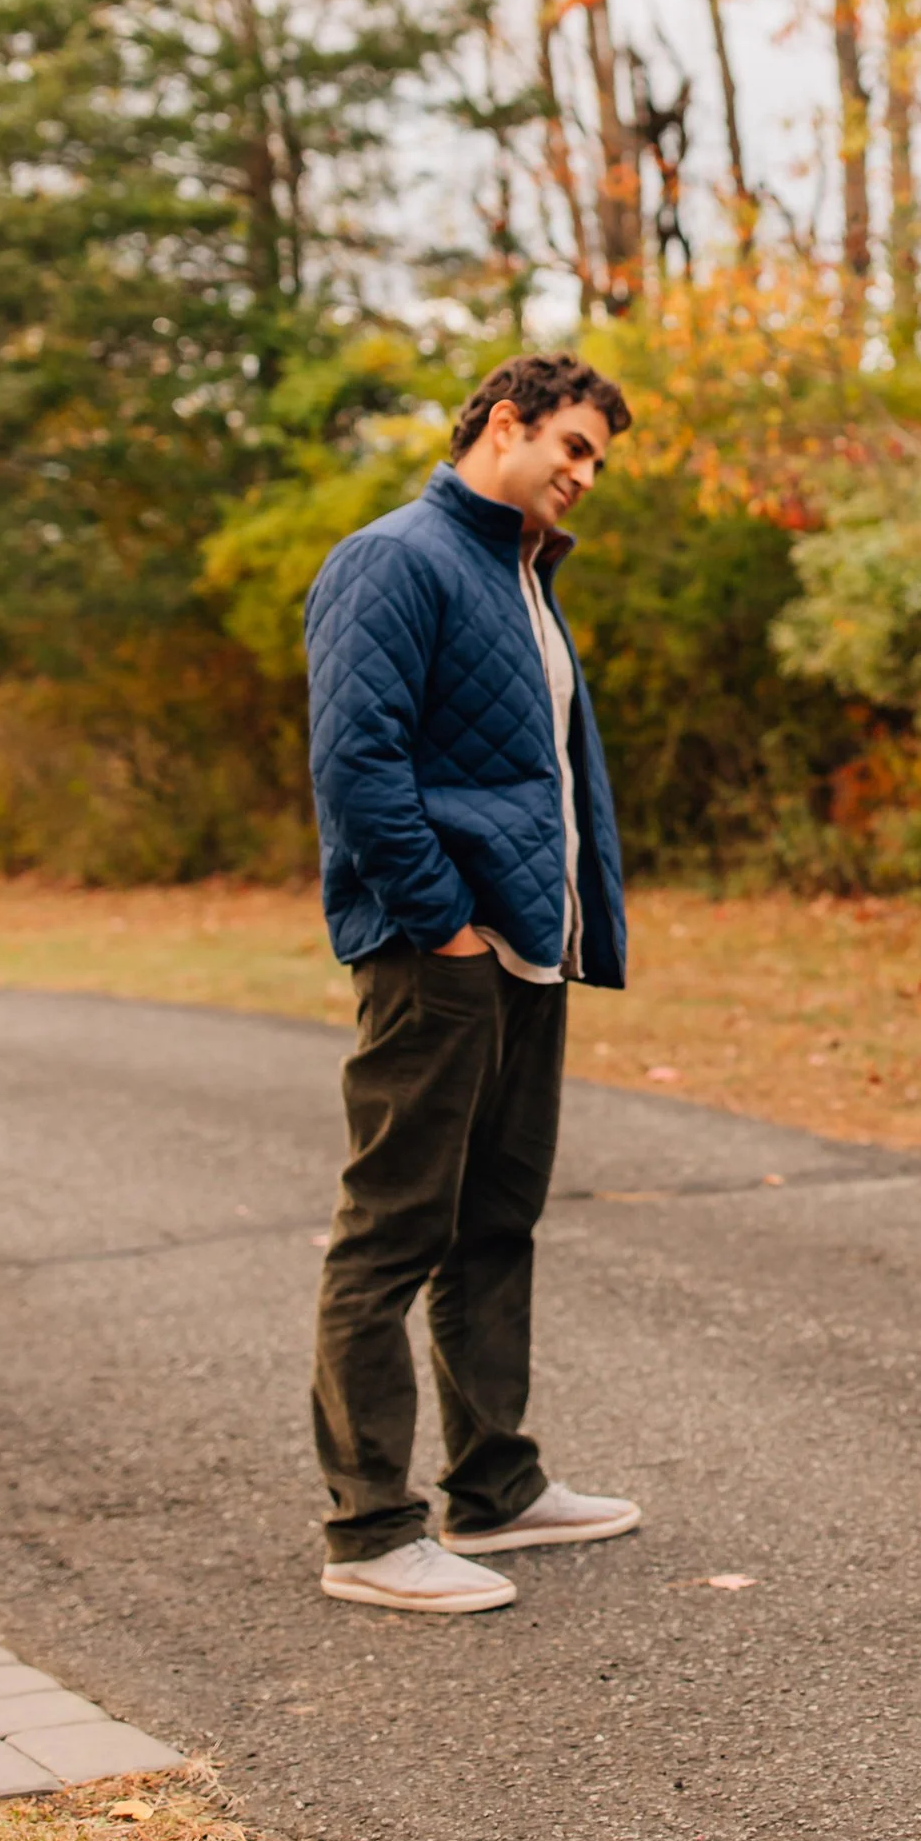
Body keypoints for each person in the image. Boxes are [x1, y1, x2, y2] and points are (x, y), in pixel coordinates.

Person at [302, 353, 641, 1615]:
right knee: (393, 1231)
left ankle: (496, 1487)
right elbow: (357, 761)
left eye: (596, 458)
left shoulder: (521, 580)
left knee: (496, 1224)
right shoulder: (394, 559)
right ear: (504, 424)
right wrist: (440, 923)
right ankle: (372, 1529)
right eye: (573, 445)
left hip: (524, 953)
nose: (584, 474)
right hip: (436, 958)